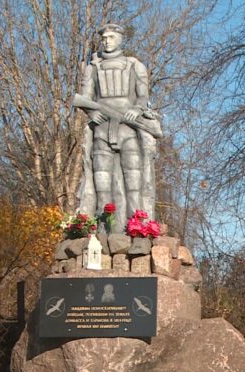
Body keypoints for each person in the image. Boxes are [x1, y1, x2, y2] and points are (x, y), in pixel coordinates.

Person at [74, 24, 161, 232]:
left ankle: (137, 229)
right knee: (101, 186)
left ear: (121, 39)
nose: (107, 41)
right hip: (102, 131)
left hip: (128, 130)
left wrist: (137, 108)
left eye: (112, 37)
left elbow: (142, 95)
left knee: (134, 184)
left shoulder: (134, 66)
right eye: (104, 38)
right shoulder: (92, 68)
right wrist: (92, 113)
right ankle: (104, 231)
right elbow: (85, 99)